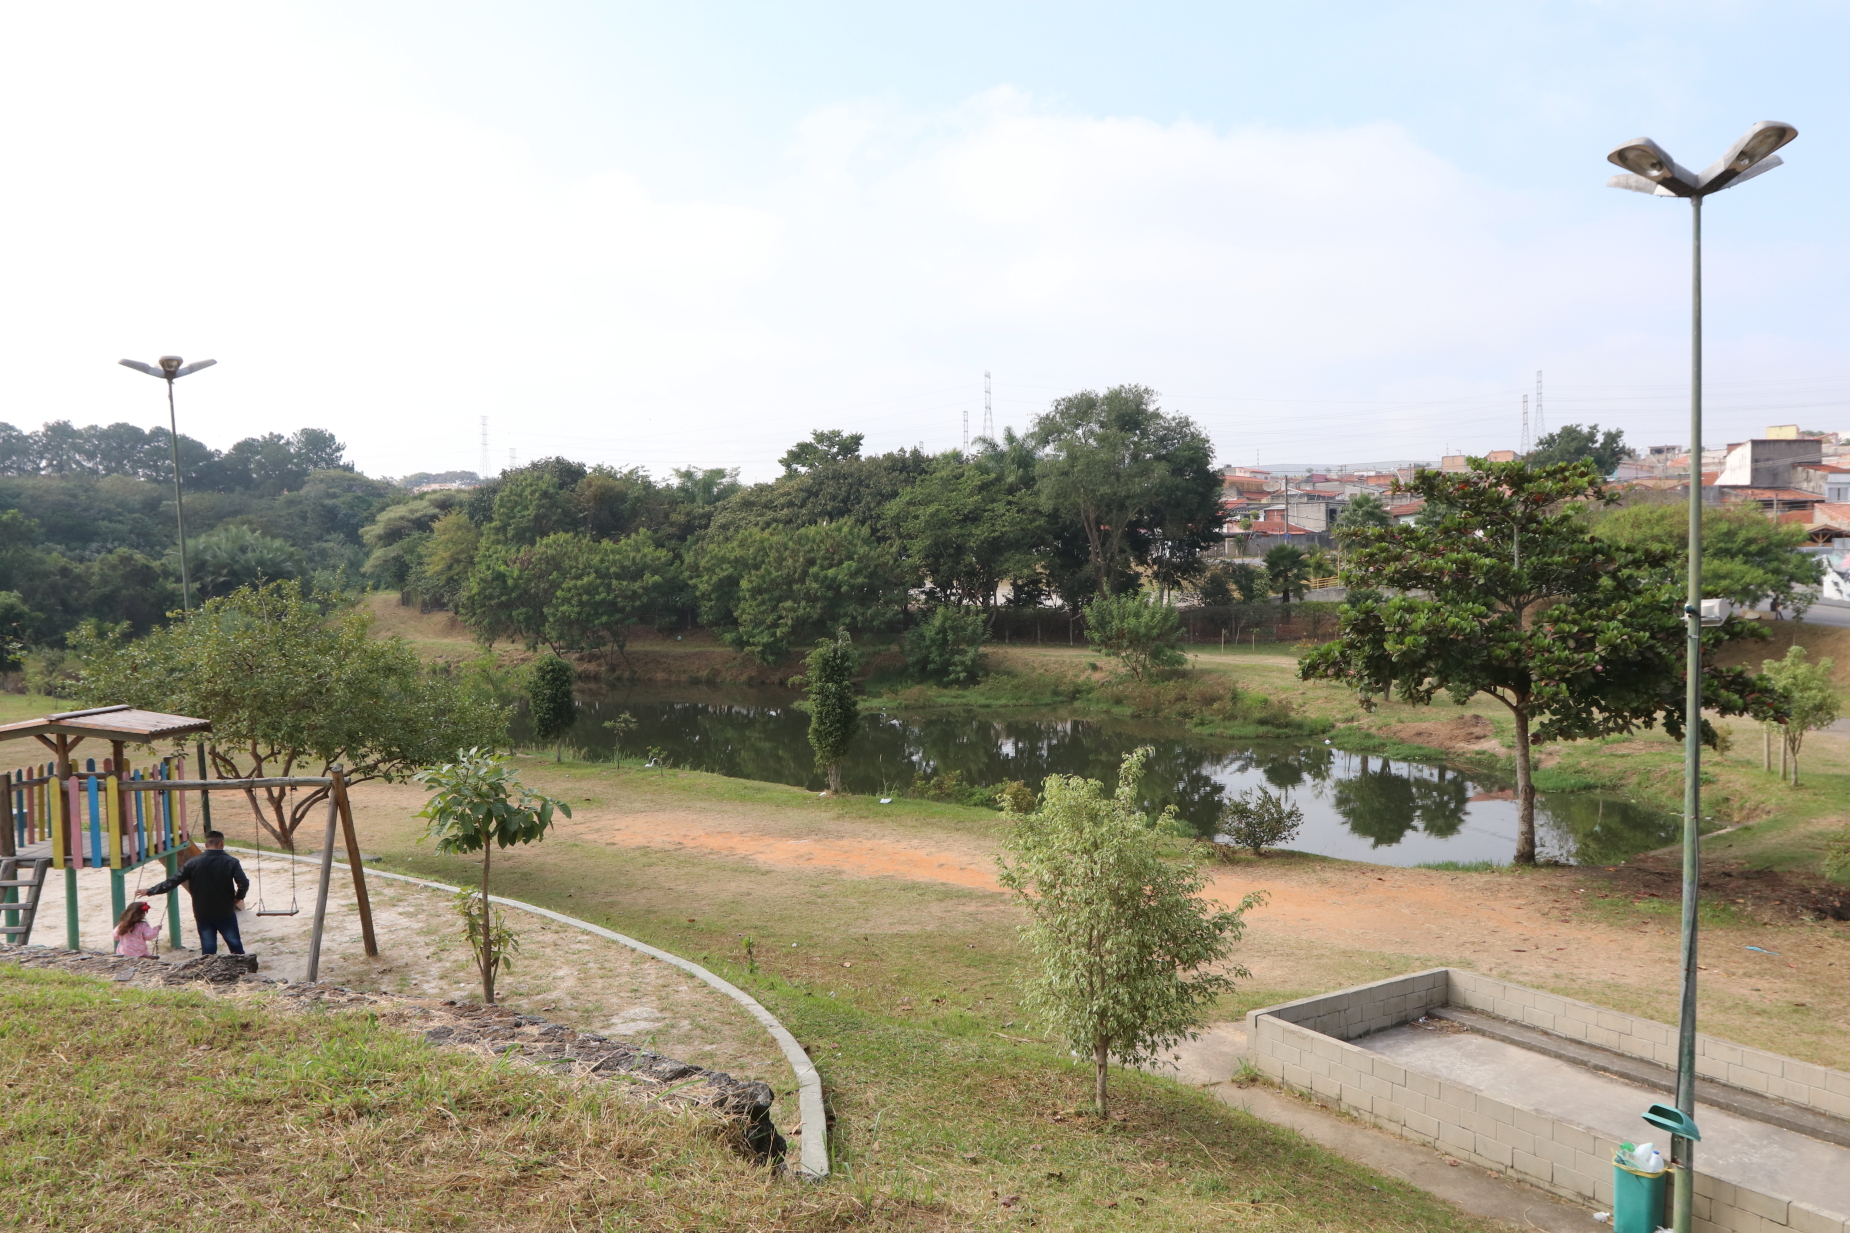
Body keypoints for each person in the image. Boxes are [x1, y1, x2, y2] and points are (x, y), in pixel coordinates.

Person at [138, 830, 250, 955]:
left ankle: (209, 970)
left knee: (208, 948)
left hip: (202, 910)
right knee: (234, 943)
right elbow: (243, 883)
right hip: (225, 909)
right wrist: (239, 897)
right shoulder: (231, 862)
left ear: (206, 845)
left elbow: (172, 881)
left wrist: (149, 891)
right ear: (221, 843)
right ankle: (244, 967)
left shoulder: (193, 862)